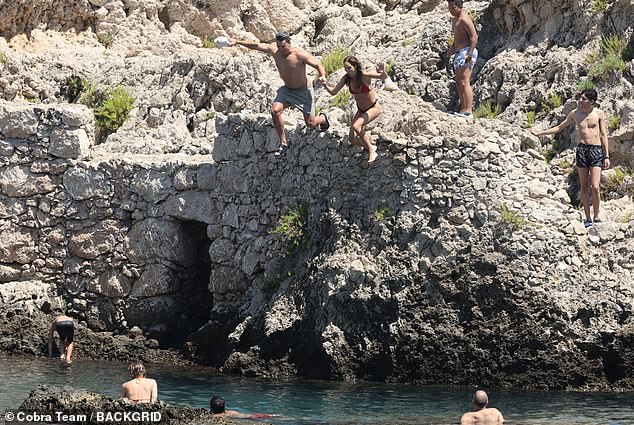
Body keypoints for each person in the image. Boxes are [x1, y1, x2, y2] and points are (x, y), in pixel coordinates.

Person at [228, 31, 330, 155]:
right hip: (287, 90)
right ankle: (283, 142)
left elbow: (318, 64)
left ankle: (323, 118)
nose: (281, 49)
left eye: (283, 46)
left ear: (289, 43)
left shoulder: (299, 55)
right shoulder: (274, 51)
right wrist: (238, 42)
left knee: (310, 123)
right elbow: (256, 45)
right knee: (275, 111)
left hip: (303, 92)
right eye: (279, 46)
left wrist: (323, 75)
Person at [529, 88, 609, 227]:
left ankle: (597, 217)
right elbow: (560, 127)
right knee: (584, 187)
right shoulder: (575, 114)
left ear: (591, 102)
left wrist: (606, 155)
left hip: (596, 151)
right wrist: (540, 133)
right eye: (580, 97)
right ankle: (588, 218)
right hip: (582, 150)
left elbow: (603, 135)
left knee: (595, 187)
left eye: (583, 99)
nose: (580, 101)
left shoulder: (598, 114)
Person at [320, 55, 387, 163]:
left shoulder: (364, 75)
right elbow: (333, 92)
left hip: (373, 108)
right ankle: (371, 145)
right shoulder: (346, 78)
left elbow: (382, 77)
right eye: (345, 68)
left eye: (349, 68)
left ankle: (371, 149)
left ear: (355, 66)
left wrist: (382, 71)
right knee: (352, 139)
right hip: (360, 110)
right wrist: (325, 85)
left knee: (356, 126)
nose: (347, 70)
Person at [447, 0, 478, 117]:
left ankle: (469, 111)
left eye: (453, 7)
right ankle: (462, 109)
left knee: (465, 82)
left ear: (460, 6)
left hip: (467, 51)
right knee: (459, 82)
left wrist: (469, 54)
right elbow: (457, 38)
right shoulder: (454, 20)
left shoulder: (465, 19)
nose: (450, 9)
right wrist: (452, 49)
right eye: (449, 7)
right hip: (459, 52)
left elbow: (474, 36)